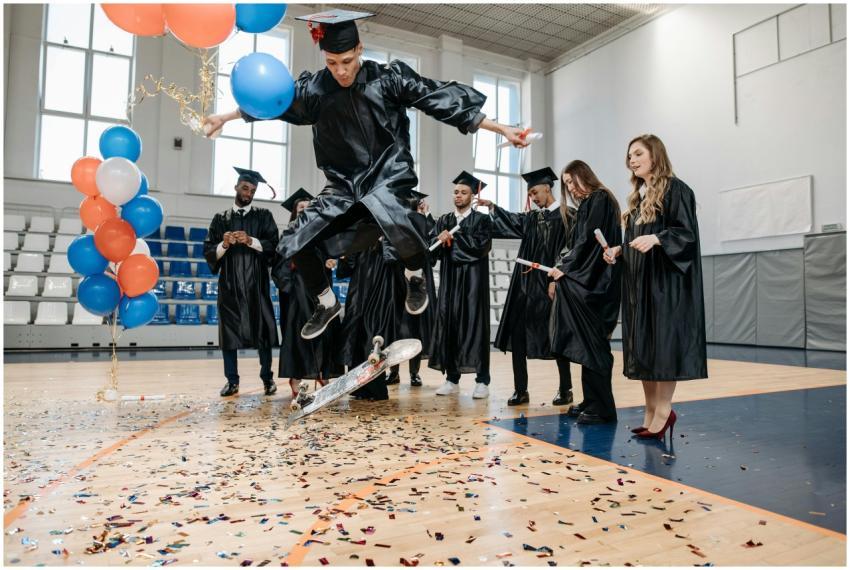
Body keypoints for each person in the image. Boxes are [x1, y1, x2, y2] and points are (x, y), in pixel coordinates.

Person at [203, 9, 528, 343]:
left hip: (388, 177)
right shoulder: (314, 89)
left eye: (346, 60)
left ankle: (414, 274)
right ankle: (327, 303)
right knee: (294, 241)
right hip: (343, 187)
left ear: (359, 49)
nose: (341, 71)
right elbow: (274, 102)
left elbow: (437, 97)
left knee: (398, 220)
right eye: (332, 63)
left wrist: (500, 126)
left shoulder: (387, 79)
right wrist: (226, 117)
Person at [602, 134, 707, 439]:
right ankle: (649, 411)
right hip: (639, 285)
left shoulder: (676, 190)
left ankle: (664, 411)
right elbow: (636, 238)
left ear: (655, 156)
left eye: (638, 154)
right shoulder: (638, 197)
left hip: (665, 284)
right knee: (644, 348)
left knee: (662, 348)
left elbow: (685, 234)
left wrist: (659, 238)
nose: (631, 160)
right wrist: (620, 249)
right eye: (629, 156)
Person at [478, 167, 572, 407]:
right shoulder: (532, 218)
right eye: (530, 194)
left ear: (547, 188)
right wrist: (493, 207)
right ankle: (521, 390)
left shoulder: (567, 216)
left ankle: (566, 389)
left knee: (556, 335)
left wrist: (555, 279)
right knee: (518, 335)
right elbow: (511, 220)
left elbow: (570, 249)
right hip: (526, 285)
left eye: (535, 192)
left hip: (551, 284)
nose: (532, 197)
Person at [547, 161, 623, 424]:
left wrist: (564, 269)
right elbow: (577, 243)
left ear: (584, 176)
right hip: (589, 280)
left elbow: (586, 241)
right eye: (566, 184)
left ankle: (603, 407)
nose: (570, 188)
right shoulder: (588, 205)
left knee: (595, 344)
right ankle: (591, 400)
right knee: (587, 343)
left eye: (572, 181)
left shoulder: (599, 198)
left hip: (599, 283)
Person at [203, 167, 280, 397]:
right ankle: (232, 381)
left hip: (257, 286)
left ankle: (267, 379)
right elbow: (208, 251)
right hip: (229, 286)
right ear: (237, 187)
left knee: (263, 333)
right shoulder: (220, 219)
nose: (248, 193)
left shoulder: (264, 216)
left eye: (253, 190)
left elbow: (273, 246)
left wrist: (251, 240)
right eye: (245, 188)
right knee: (229, 335)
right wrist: (224, 244)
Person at [272, 188, 343, 398]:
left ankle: (324, 374)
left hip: (320, 292)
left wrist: (330, 262)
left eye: (307, 208)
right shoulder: (288, 235)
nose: (303, 210)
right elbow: (278, 266)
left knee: (326, 333)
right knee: (297, 335)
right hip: (297, 294)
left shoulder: (322, 234)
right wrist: (292, 268)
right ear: (294, 213)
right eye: (300, 208)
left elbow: (331, 256)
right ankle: (296, 377)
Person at [429, 171, 492, 398]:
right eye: (455, 192)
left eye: (464, 192)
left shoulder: (482, 220)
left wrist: (455, 240)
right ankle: (452, 378)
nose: (458, 196)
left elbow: (480, 247)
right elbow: (431, 251)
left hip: (473, 283)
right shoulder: (444, 220)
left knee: (475, 327)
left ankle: (482, 380)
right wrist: (438, 239)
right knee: (450, 325)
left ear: (472, 195)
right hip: (449, 282)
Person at [386, 196, 437, 387]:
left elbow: (432, 253)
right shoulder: (394, 227)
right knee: (396, 329)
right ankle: (394, 372)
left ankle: (414, 373)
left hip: (418, 285)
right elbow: (389, 254)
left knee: (415, 330)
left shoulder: (423, 228)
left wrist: (427, 215)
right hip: (398, 283)